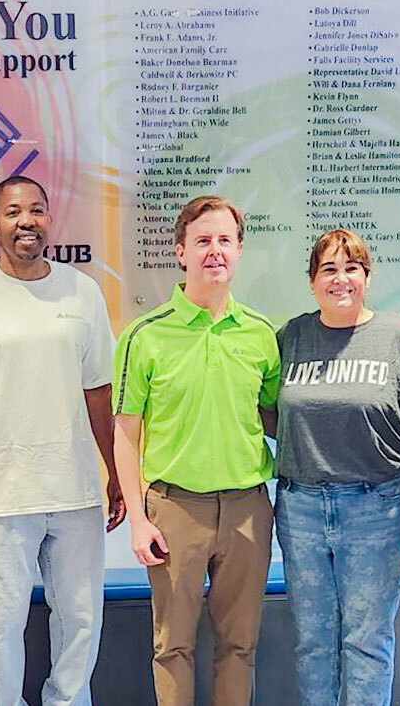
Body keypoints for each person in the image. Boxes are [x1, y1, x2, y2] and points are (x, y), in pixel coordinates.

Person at [0, 175, 124, 706]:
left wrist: (114, 476)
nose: (27, 222)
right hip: (3, 493)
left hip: (78, 487)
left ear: (49, 219)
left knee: (82, 620)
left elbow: (99, 392)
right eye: (14, 213)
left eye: (37, 210)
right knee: (4, 626)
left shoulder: (82, 291)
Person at [112, 194, 278, 706]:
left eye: (225, 240)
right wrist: (139, 520)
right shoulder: (144, 335)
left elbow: (276, 417)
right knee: (172, 646)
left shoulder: (263, 334)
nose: (215, 251)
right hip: (174, 509)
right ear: (181, 252)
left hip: (248, 509)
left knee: (240, 645)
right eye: (202, 240)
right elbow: (125, 434)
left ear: (240, 250)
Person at [272, 228, 400, 706]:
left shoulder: (397, 336)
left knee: (368, 641)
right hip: (300, 508)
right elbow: (270, 410)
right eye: (329, 269)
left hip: (376, 506)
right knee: (314, 643)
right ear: (312, 280)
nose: (341, 279)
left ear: (367, 276)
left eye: (351, 268)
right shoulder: (292, 335)